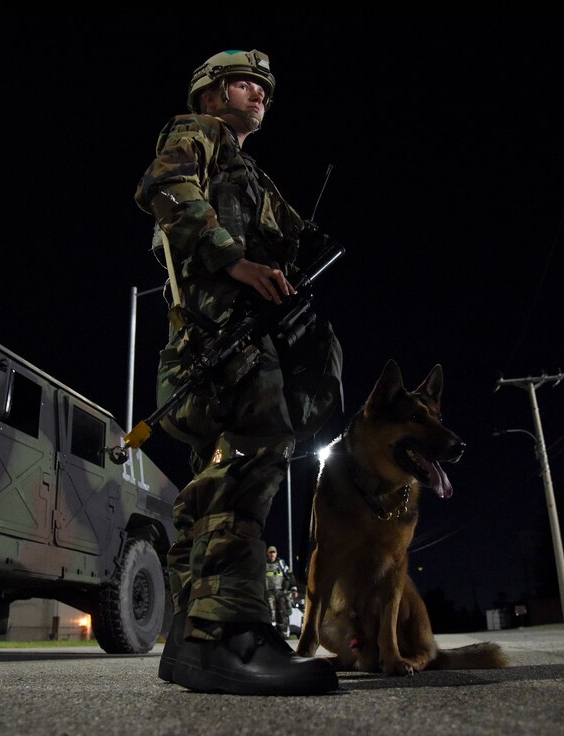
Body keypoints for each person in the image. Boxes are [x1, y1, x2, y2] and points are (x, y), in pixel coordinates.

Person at [135, 49, 342, 696]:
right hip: (219, 329)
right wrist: (232, 259)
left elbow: (286, 236)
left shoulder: (246, 170)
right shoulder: (195, 133)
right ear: (209, 94)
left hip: (235, 328)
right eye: (244, 84)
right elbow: (163, 187)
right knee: (251, 456)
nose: (257, 95)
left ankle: (196, 637)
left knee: (212, 481)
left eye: (262, 88)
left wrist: (294, 246)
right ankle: (228, 637)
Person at [265, 545, 297, 638]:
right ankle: (272, 635)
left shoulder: (281, 564)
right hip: (268, 593)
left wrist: (293, 588)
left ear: (276, 553)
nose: (272, 554)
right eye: (270, 552)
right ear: (267, 554)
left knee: (283, 612)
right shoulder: (263, 564)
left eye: (273, 552)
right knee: (271, 613)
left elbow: (290, 575)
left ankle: (283, 634)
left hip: (281, 592)